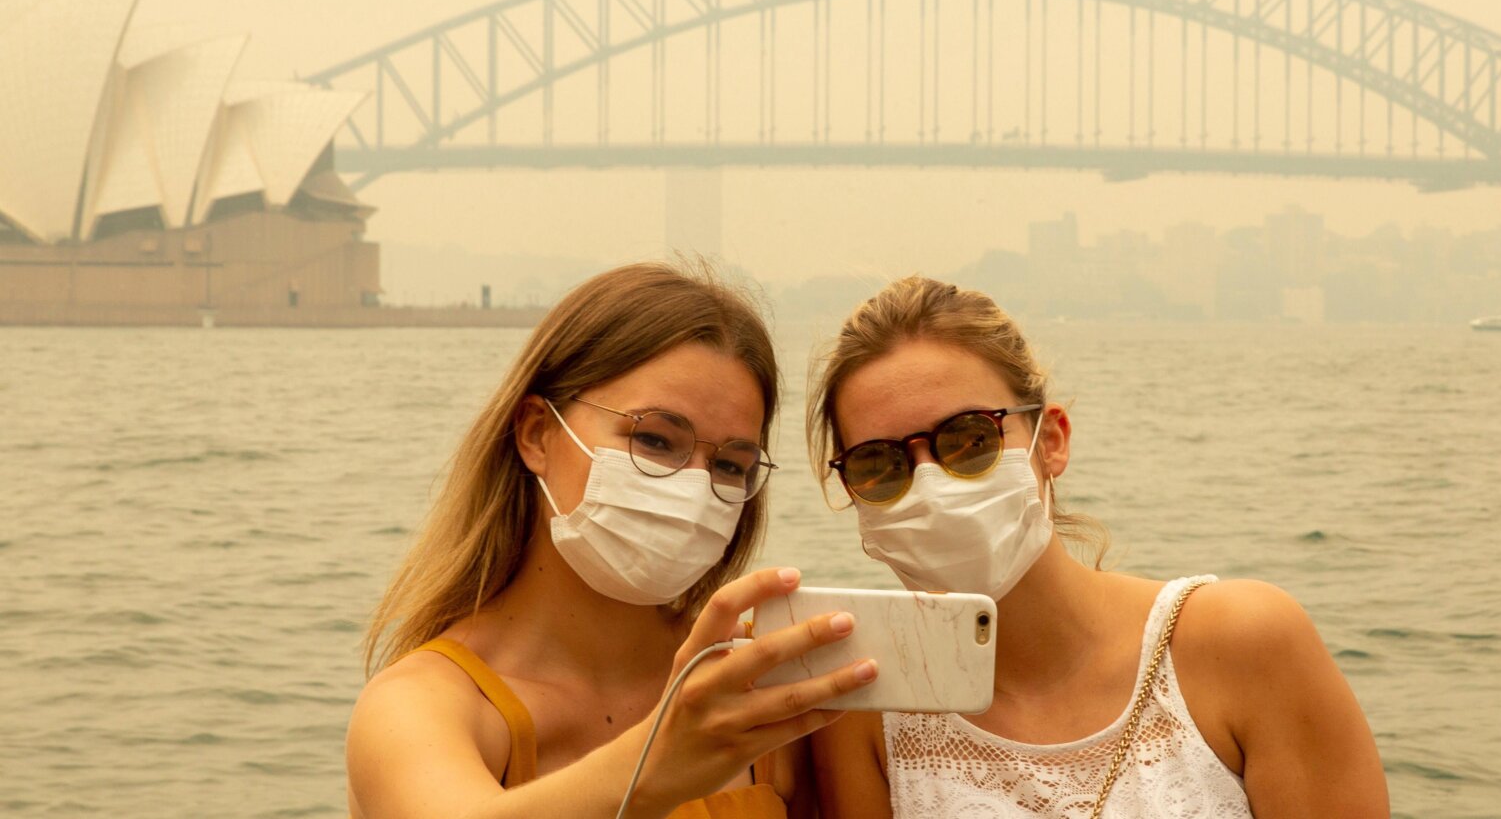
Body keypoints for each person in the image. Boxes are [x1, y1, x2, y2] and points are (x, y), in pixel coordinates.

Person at [806, 277, 1389, 817]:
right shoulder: (861, 708)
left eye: (969, 439)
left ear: (1051, 441)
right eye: (878, 464)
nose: (931, 483)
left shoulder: (1243, 643)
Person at [347, 262, 876, 819]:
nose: (694, 485)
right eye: (655, 440)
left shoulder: (759, 685)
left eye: (730, 464)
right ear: (536, 433)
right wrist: (655, 765)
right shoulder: (422, 705)